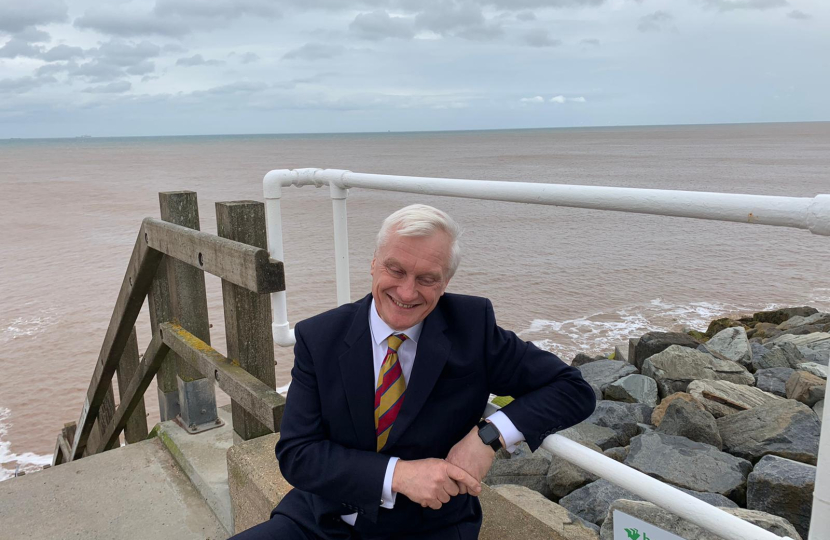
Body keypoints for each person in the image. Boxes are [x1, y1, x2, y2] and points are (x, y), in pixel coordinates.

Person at [233, 204, 596, 540]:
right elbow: (298, 453)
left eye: (427, 278)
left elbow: (571, 389)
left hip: (429, 527)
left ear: (446, 282)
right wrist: (399, 475)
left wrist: (488, 438)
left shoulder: (473, 328)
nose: (407, 292)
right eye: (396, 269)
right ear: (373, 263)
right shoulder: (320, 337)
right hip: (323, 520)